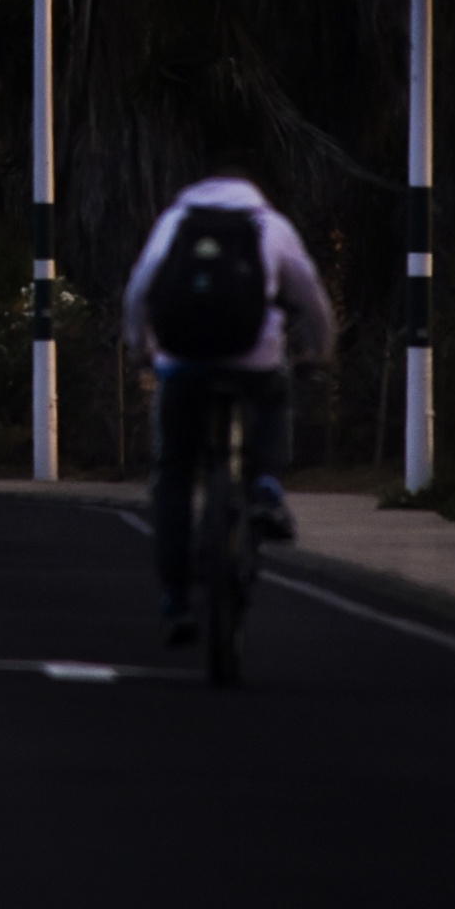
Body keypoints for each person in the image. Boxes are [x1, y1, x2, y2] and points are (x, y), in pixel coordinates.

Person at [123, 164, 335, 646]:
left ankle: (176, 599)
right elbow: (312, 296)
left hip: (182, 362)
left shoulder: (175, 221)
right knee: (272, 396)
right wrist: (319, 353)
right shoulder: (269, 224)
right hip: (253, 358)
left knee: (174, 473)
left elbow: (139, 289)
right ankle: (263, 485)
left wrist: (140, 347)